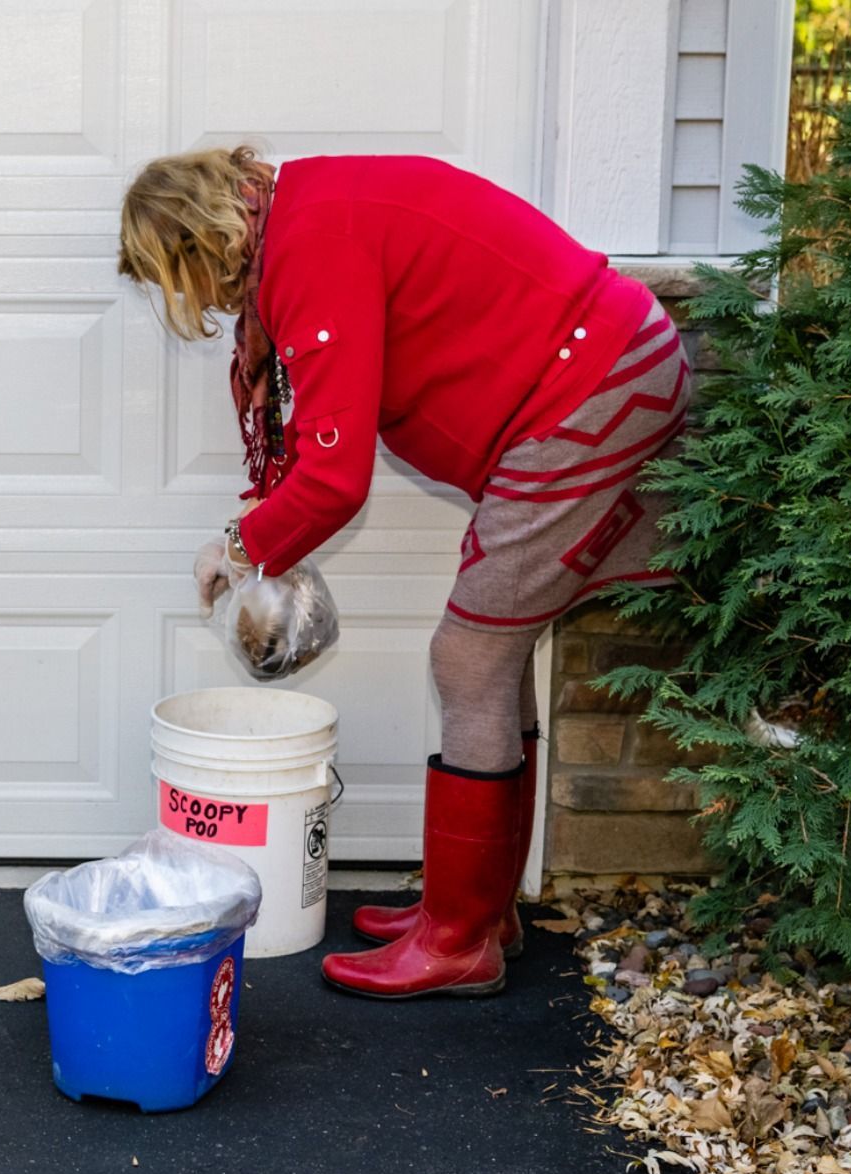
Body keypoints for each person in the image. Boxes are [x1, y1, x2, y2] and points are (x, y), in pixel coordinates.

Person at [118, 146, 691, 1000]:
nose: (194, 303)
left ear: (200, 243)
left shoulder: (310, 249)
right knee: (492, 649)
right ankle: (480, 910)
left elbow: (333, 479)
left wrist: (236, 548)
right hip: (595, 374)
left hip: (588, 389)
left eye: (178, 277)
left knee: (468, 658)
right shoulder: (307, 212)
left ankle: (457, 940)